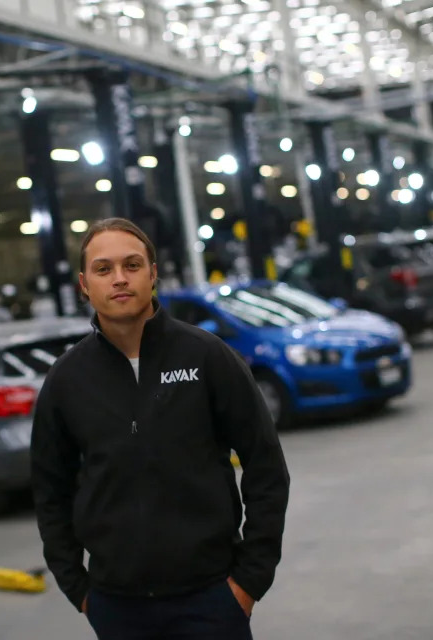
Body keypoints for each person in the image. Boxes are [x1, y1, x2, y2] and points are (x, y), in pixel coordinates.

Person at [31, 218, 291, 639]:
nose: (119, 278)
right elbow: (50, 490)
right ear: (84, 284)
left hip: (212, 599)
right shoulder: (66, 380)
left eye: (132, 265)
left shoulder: (207, 357)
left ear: (153, 274)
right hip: (117, 608)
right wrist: (78, 588)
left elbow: (265, 465)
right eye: (103, 269)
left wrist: (248, 582)